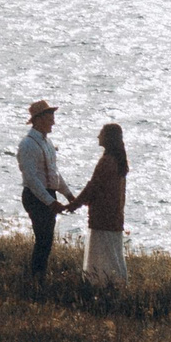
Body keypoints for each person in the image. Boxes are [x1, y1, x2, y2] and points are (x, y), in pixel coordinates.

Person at [16, 99, 74, 279]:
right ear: (39, 119)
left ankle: (38, 275)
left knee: (46, 240)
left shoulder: (47, 143)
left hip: (48, 194)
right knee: (43, 239)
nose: (53, 122)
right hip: (35, 196)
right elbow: (31, 179)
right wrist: (50, 202)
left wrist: (68, 194)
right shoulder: (28, 145)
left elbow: (54, 173)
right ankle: (36, 276)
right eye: (50, 118)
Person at [69, 121, 130, 284]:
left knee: (102, 255)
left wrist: (74, 204)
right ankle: (116, 284)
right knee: (113, 254)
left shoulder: (107, 161)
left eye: (101, 133)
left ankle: (101, 285)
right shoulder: (119, 161)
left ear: (108, 138)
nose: (98, 136)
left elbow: (92, 187)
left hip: (103, 216)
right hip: (114, 216)